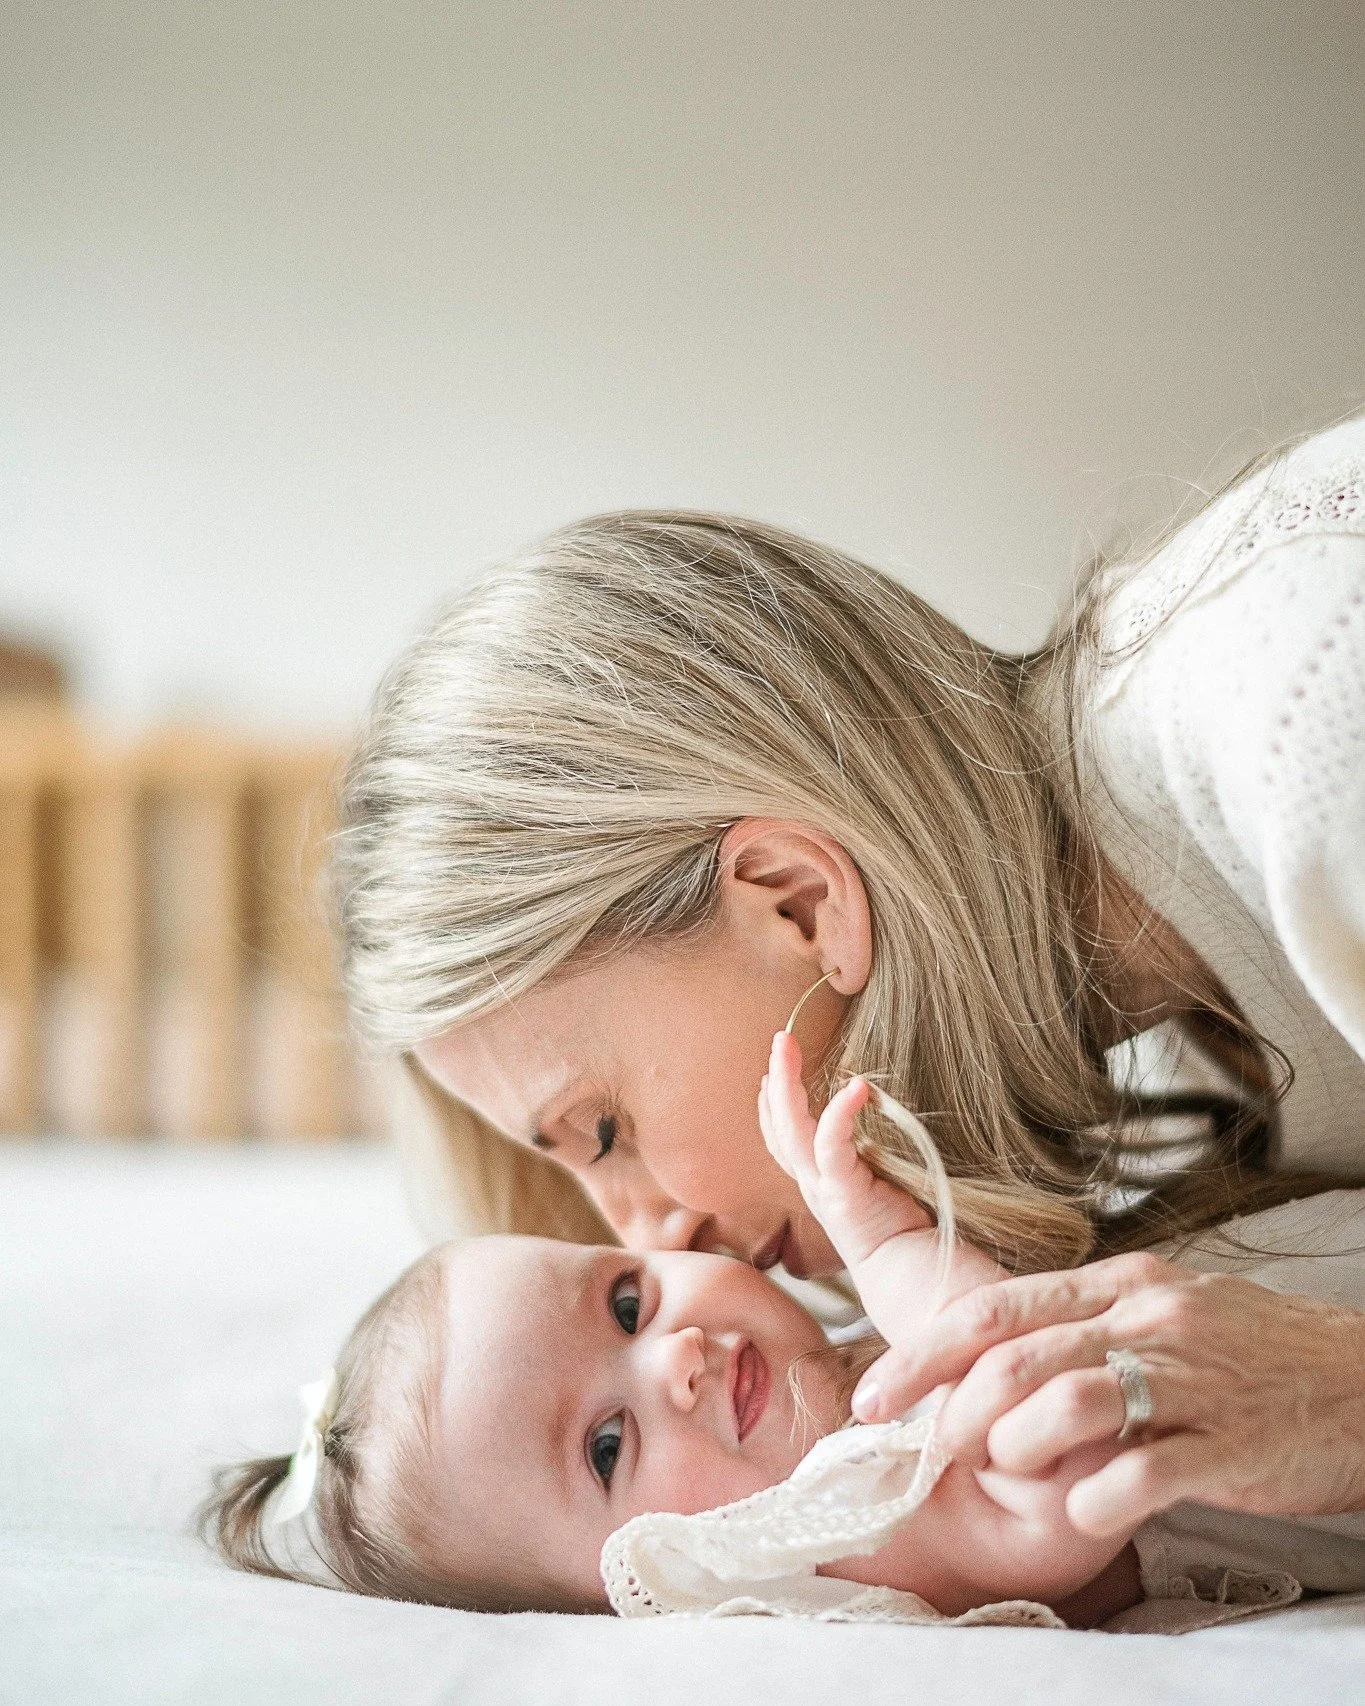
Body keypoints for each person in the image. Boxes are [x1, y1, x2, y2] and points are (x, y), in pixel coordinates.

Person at [333, 409, 1365, 1541]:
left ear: (797, 901)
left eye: (605, 1128)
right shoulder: (1139, 1028)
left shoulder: (1311, 712)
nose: (650, 1237)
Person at [201, 1031, 1365, 1625]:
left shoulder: (853, 1368)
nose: (681, 1360)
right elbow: (1024, 1415)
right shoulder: (837, 1532)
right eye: (608, 1445)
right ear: (646, 1579)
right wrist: (890, 1241)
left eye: (627, 1302)